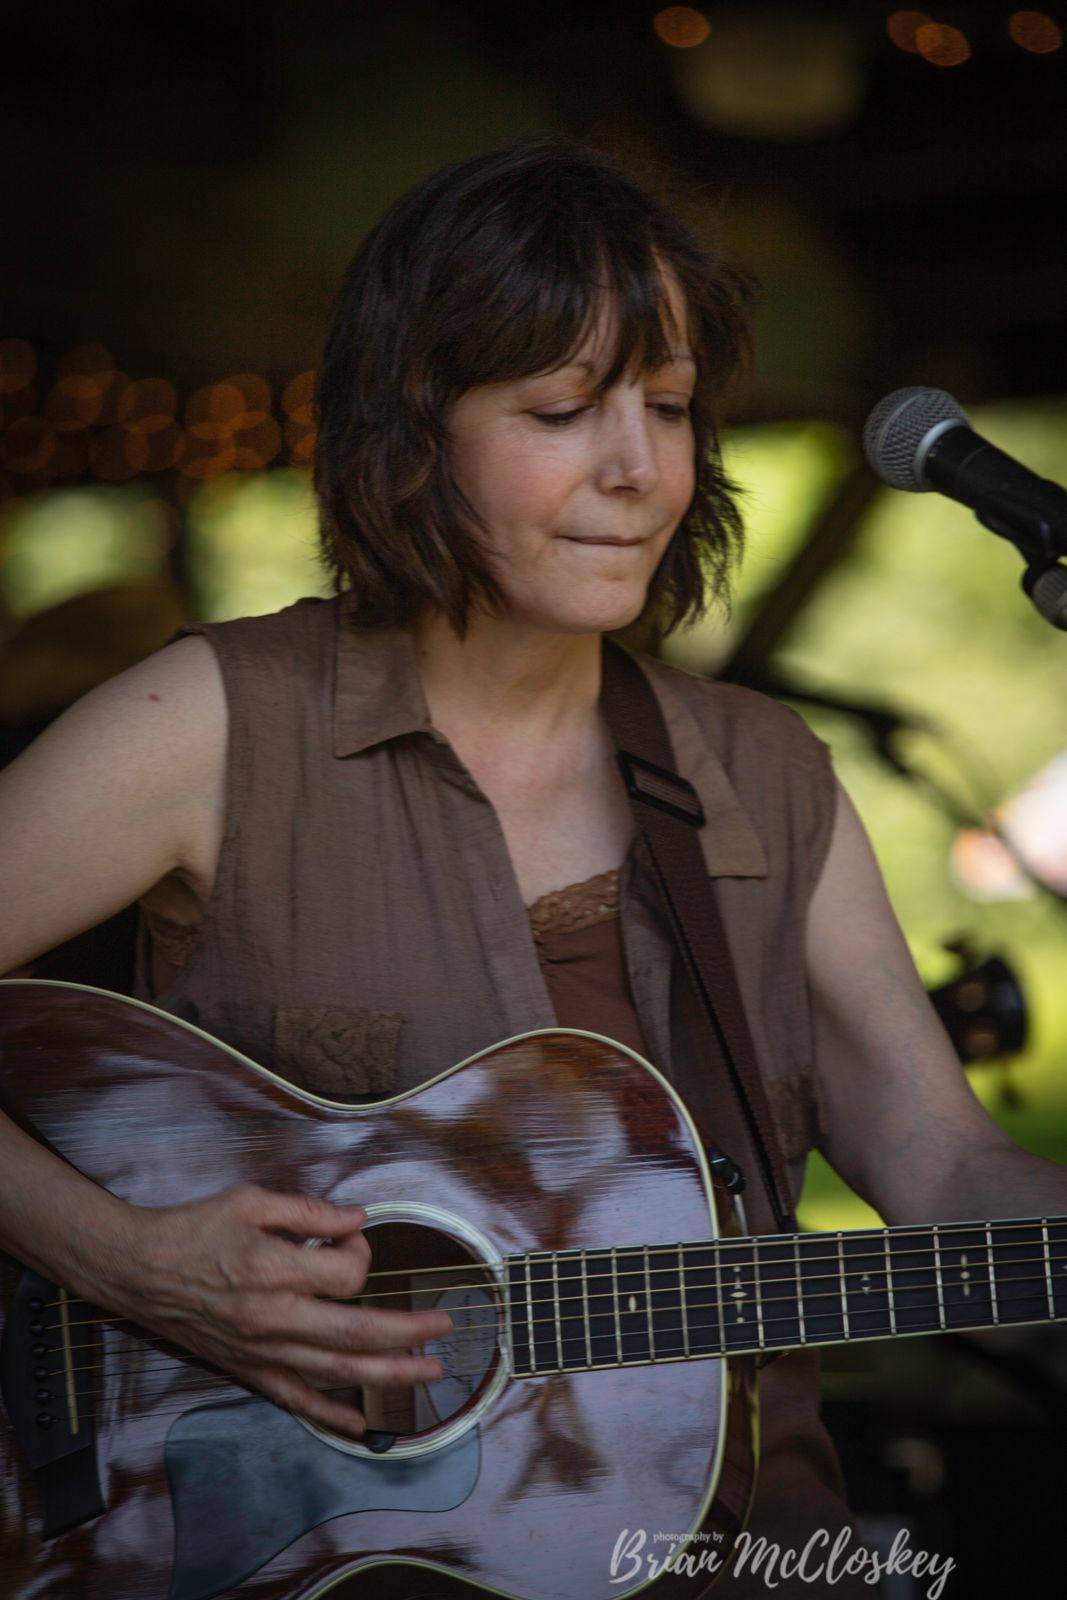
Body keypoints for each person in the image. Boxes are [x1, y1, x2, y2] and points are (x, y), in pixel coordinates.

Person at [0, 139, 1064, 1594]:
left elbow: (940, 1159)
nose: (640, 470)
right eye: (562, 410)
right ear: (410, 431)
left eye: (670, 408)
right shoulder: (214, 726)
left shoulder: (763, 774)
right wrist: (124, 1259)